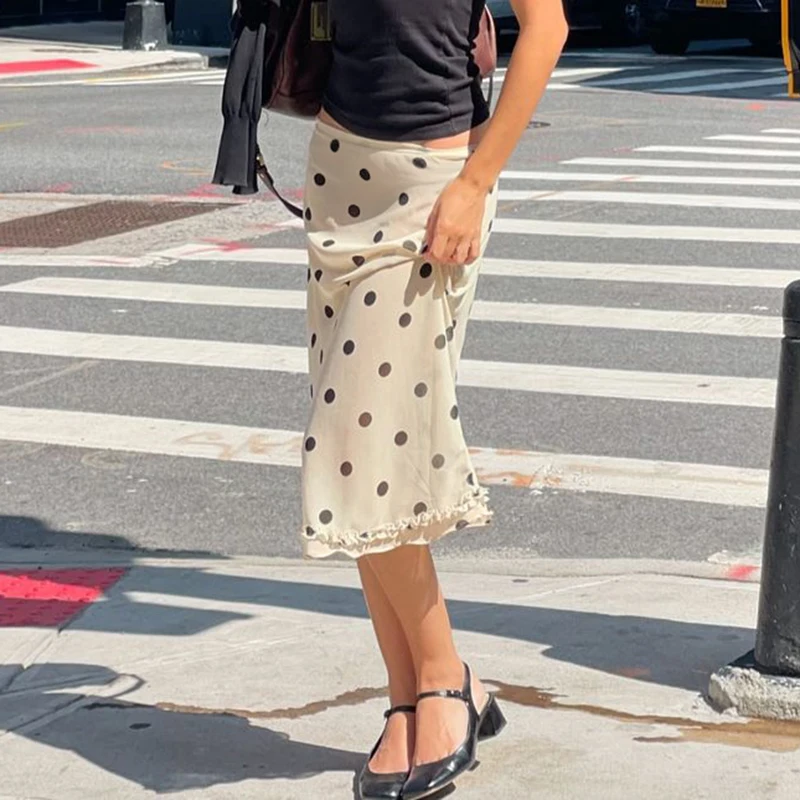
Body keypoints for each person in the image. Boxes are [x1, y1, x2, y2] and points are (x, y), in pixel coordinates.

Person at [299, 1, 568, 798]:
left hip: (434, 182)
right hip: (338, 166)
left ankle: (445, 677)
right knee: (360, 460)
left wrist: (475, 184)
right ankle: (410, 694)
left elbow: (547, 27)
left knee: (360, 450)